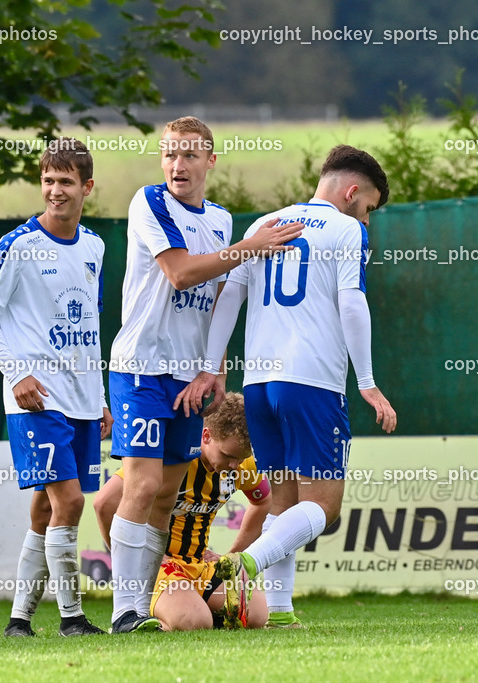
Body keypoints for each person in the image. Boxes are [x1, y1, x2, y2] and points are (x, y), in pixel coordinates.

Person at [179, 144, 398, 628]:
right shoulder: (345, 231)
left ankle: (278, 609)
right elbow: (352, 304)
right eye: (368, 210)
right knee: (324, 505)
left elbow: (229, 296)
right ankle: (244, 564)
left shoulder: (265, 224)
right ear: (353, 191)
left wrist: (213, 366)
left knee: (285, 501)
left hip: (259, 383)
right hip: (312, 381)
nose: (366, 221)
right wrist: (367, 381)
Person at [105, 116, 303, 633]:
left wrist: (212, 367)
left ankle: (149, 602)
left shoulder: (218, 218)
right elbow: (182, 272)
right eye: (170, 154)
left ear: (210, 161)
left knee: (167, 496)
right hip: (142, 367)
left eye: (190, 155)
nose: (178, 165)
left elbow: (214, 297)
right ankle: (126, 609)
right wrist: (250, 247)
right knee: (143, 484)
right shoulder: (150, 202)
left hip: (187, 379)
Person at [0, 137, 111, 638]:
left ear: (87, 187)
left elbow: (91, 327)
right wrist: (17, 374)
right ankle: (72, 618)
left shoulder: (95, 247)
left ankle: (19, 620)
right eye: (48, 180)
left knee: (46, 507)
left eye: (66, 181)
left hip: (80, 400)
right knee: (70, 503)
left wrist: (100, 399)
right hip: (35, 398)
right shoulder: (17, 246)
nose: (55, 190)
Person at [95, 392, 271, 630]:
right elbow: (103, 504)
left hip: (199, 564)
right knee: (196, 622)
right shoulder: (173, 459)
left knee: (257, 615)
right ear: (206, 436)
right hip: (161, 567)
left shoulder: (241, 465)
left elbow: (263, 502)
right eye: (228, 456)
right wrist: (135, 562)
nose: (234, 465)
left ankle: (188, 608)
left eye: (241, 459)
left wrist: (233, 556)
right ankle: (151, 617)